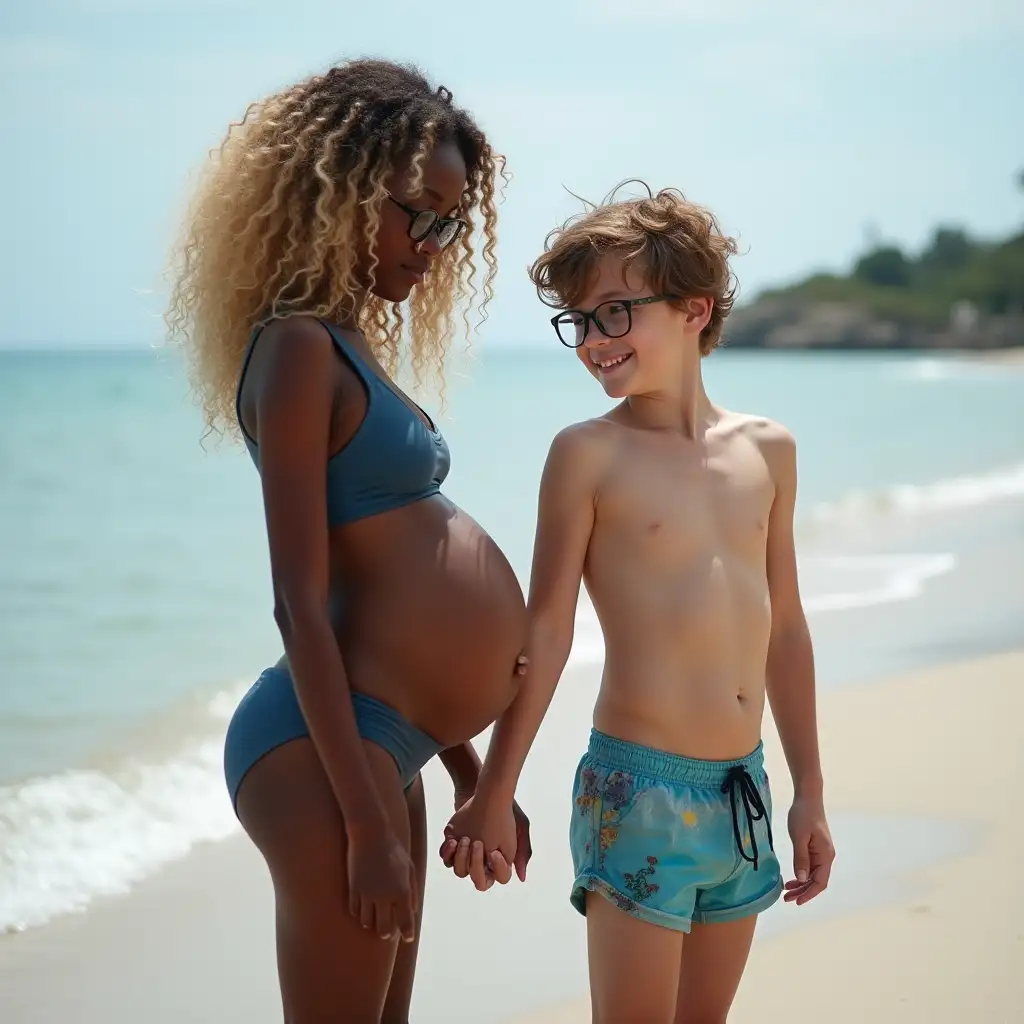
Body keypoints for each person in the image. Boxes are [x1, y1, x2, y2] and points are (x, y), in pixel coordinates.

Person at [165, 59, 532, 1023]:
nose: (435, 242)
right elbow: (299, 600)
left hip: (387, 745)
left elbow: (374, 605)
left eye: (452, 223)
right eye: (420, 212)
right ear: (346, 195)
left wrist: (470, 773)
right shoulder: (295, 348)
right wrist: (365, 822)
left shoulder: (350, 339)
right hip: (327, 756)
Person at [442, 184, 835, 1021]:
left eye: (615, 313)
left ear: (695, 309)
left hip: (744, 793)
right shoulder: (587, 455)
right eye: (579, 322)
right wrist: (493, 786)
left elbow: (786, 630)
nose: (593, 341)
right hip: (637, 793)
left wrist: (810, 789)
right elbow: (546, 631)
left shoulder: (769, 451)